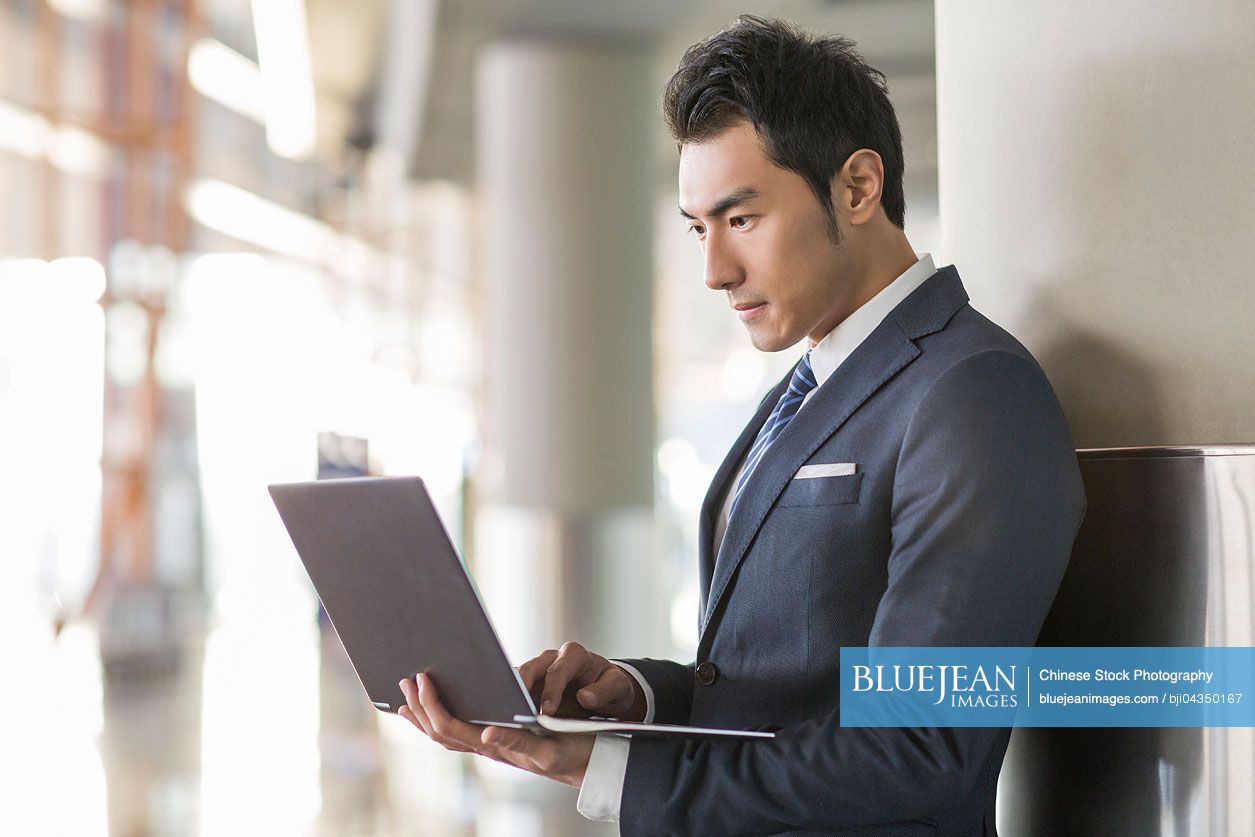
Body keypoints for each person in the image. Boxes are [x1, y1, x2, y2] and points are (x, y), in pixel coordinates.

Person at [397, 15, 1085, 836]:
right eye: (698, 227)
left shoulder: (972, 392)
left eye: (741, 218)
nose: (715, 271)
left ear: (857, 187)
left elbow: (917, 747)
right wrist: (637, 695)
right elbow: (788, 686)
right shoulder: (805, 383)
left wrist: (608, 766)